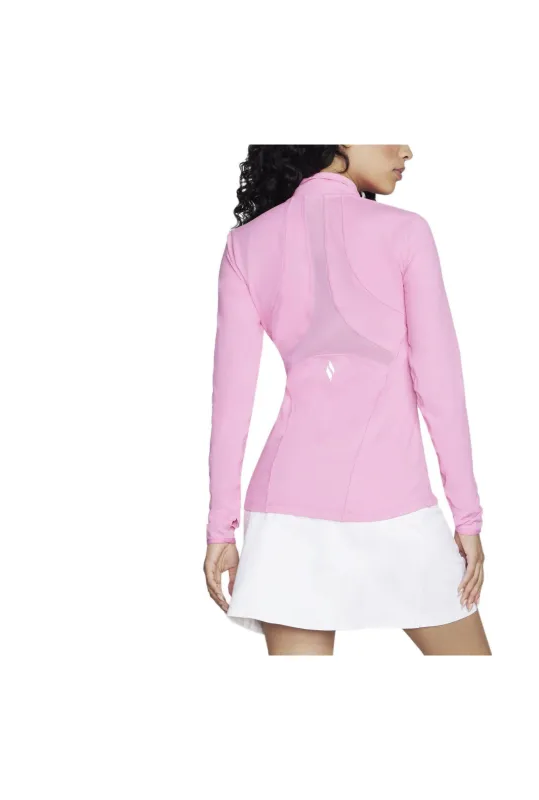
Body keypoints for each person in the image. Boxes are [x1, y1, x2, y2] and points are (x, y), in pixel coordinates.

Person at [203, 145, 491, 655]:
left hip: (286, 522)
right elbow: (441, 387)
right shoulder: (406, 233)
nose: (405, 149)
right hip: (398, 508)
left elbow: (230, 406)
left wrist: (220, 531)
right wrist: (466, 517)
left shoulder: (245, 245)